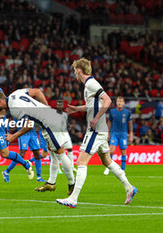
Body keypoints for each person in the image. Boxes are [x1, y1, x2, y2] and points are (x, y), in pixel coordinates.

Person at [57, 58, 137, 208]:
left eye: (75, 70)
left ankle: (73, 199)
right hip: (100, 129)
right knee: (107, 161)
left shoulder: (91, 84)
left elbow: (107, 100)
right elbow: (92, 106)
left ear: (79, 71)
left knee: (81, 162)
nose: (74, 73)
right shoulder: (89, 85)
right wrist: (76, 109)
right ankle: (130, 188)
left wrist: (96, 118)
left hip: (95, 129)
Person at [0, 88, 75, 195]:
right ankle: (51, 183)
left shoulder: (14, 108)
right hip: (52, 118)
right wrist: (46, 107)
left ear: (0, 101)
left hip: (49, 124)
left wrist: (13, 136)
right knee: (53, 153)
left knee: (60, 153)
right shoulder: (16, 93)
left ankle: (72, 184)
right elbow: (37, 91)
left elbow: (29, 125)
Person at [104, 96, 133, 175]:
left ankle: (122, 169)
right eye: (118, 101)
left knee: (123, 152)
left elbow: (130, 124)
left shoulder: (127, 112)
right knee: (111, 150)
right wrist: (108, 133)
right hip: (114, 133)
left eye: (121, 101)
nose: (119, 103)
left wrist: (131, 134)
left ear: (123, 103)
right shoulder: (112, 112)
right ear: (116, 103)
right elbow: (109, 122)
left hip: (123, 134)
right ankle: (108, 167)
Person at [56, 100, 76, 172]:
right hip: (58, 134)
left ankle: (72, 166)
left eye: (61, 105)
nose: (59, 106)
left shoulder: (65, 114)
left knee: (70, 149)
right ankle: (58, 168)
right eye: (58, 105)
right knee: (58, 151)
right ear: (56, 106)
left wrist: (68, 126)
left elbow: (67, 124)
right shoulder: (54, 114)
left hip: (65, 134)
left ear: (63, 106)